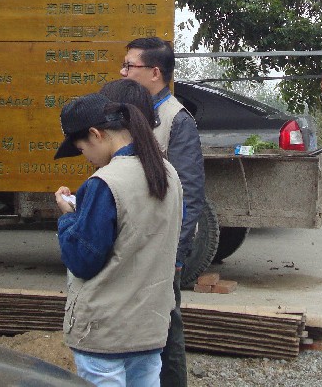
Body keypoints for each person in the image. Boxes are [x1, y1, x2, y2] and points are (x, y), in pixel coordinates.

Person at [53, 92, 183, 386]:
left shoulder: (104, 183)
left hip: (106, 333)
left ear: (96, 134)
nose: (86, 158)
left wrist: (68, 218)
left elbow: (83, 260)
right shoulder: (168, 173)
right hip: (149, 329)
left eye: (82, 149)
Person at [120, 37, 205, 387]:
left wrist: (176, 254)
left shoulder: (177, 120)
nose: (123, 72)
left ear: (155, 72)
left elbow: (190, 194)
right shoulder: (131, 114)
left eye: (130, 66)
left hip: (162, 249)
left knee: (165, 328)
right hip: (134, 243)